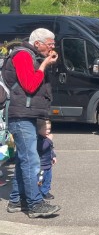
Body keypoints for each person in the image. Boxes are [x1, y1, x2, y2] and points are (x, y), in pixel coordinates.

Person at [2, 28, 61, 217]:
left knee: (23, 159)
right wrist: (43, 65)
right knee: (31, 160)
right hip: (19, 116)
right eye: (49, 44)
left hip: (27, 114)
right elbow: (30, 85)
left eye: (53, 44)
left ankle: (16, 200)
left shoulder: (31, 56)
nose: (52, 47)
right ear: (38, 44)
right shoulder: (22, 56)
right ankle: (35, 203)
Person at [37, 118, 56, 199]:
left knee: (48, 179)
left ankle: (45, 191)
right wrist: (49, 140)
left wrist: (53, 156)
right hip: (41, 165)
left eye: (49, 129)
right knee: (40, 180)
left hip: (48, 164)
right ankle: (38, 192)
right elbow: (43, 148)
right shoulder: (39, 139)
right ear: (38, 130)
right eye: (45, 129)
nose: (48, 131)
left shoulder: (46, 138)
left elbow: (50, 148)